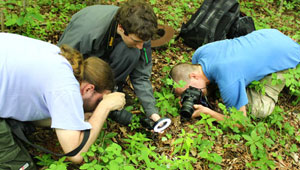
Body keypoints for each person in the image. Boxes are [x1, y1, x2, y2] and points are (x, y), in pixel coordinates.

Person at [0, 32, 126, 168]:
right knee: (21, 166)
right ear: (89, 89)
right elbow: (75, 154)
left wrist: (79, 117)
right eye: (99, 100)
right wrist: (104, 107)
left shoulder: (61, 60)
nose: (97, 105)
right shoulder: (65, 87)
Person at [57, 0, 162, 123]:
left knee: (132, 53)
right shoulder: (87, 31)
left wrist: (152, 112)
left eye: (143, 42)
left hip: (107, 53)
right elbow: (61, 64)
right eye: (136, 41)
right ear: (121, 28)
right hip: (84, 59)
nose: (141, 46)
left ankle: (106, 91)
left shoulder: (142, 32)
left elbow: (141, 75)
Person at [170, 29, 300, 127]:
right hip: (270, 35)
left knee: (257, 109)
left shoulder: (228, 80)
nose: (188, 94)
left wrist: (208, 112)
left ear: (193, 76)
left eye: (187, 90)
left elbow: (241, 124)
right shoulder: (199, 54)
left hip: (289, 56)